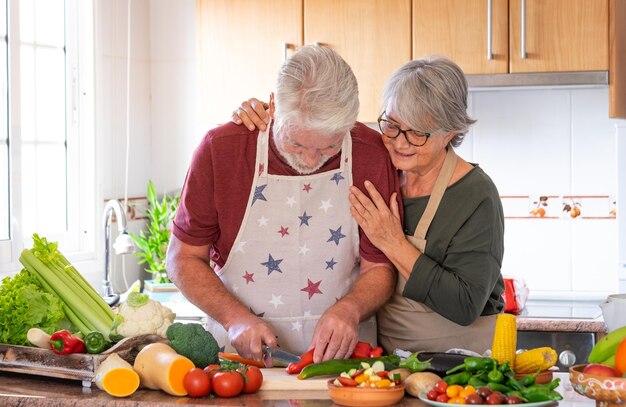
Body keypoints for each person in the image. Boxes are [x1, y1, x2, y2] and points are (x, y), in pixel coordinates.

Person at [232, 55, 505, 354]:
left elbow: (465, 305)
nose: (400, 143)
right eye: (392, 125)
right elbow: (315, 119)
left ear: (449, 133)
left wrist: (393, 243)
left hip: (464, 364)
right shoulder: (380, 164)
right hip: (390, 363)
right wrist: (270, 113)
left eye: (417, 134)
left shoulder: (476, 195)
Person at [166, 44, 400, 364]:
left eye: (329, 147)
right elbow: (183, 259)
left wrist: (351, 308)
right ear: (273, 105)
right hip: (241, 365)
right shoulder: (221, 150)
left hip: (341, 366)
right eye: (296, 142)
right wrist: (235, 318)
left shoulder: (371, 153)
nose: (309, 160)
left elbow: (381, 267)